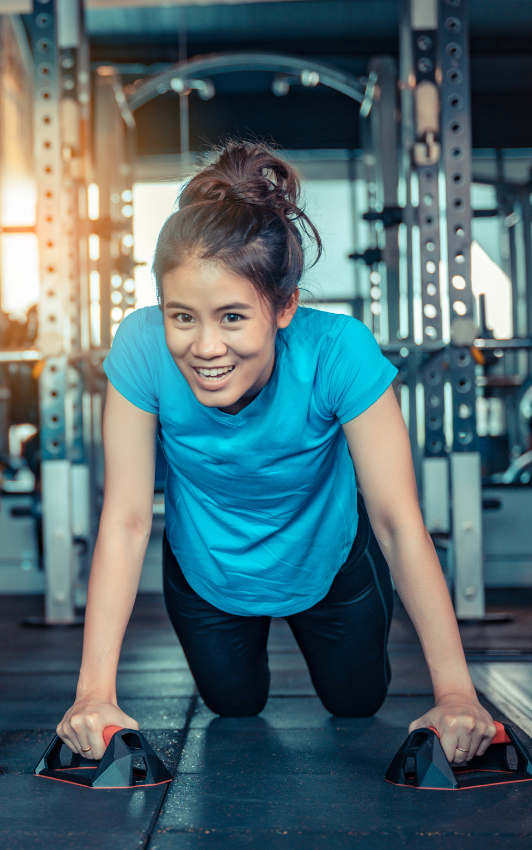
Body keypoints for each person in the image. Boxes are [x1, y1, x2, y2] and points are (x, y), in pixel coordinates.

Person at [56, 142, 496, 765]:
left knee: (357, 703)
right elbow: (126, 519)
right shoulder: (141, 348)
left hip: (330, 562)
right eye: (183, 316)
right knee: (233, 705)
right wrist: (92, 695)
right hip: (208, 569)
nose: (205, 347)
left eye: (233, 316)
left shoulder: (339, 350)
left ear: (285, 306)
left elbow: (398, 522)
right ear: (161, 308)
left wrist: (457, 692)